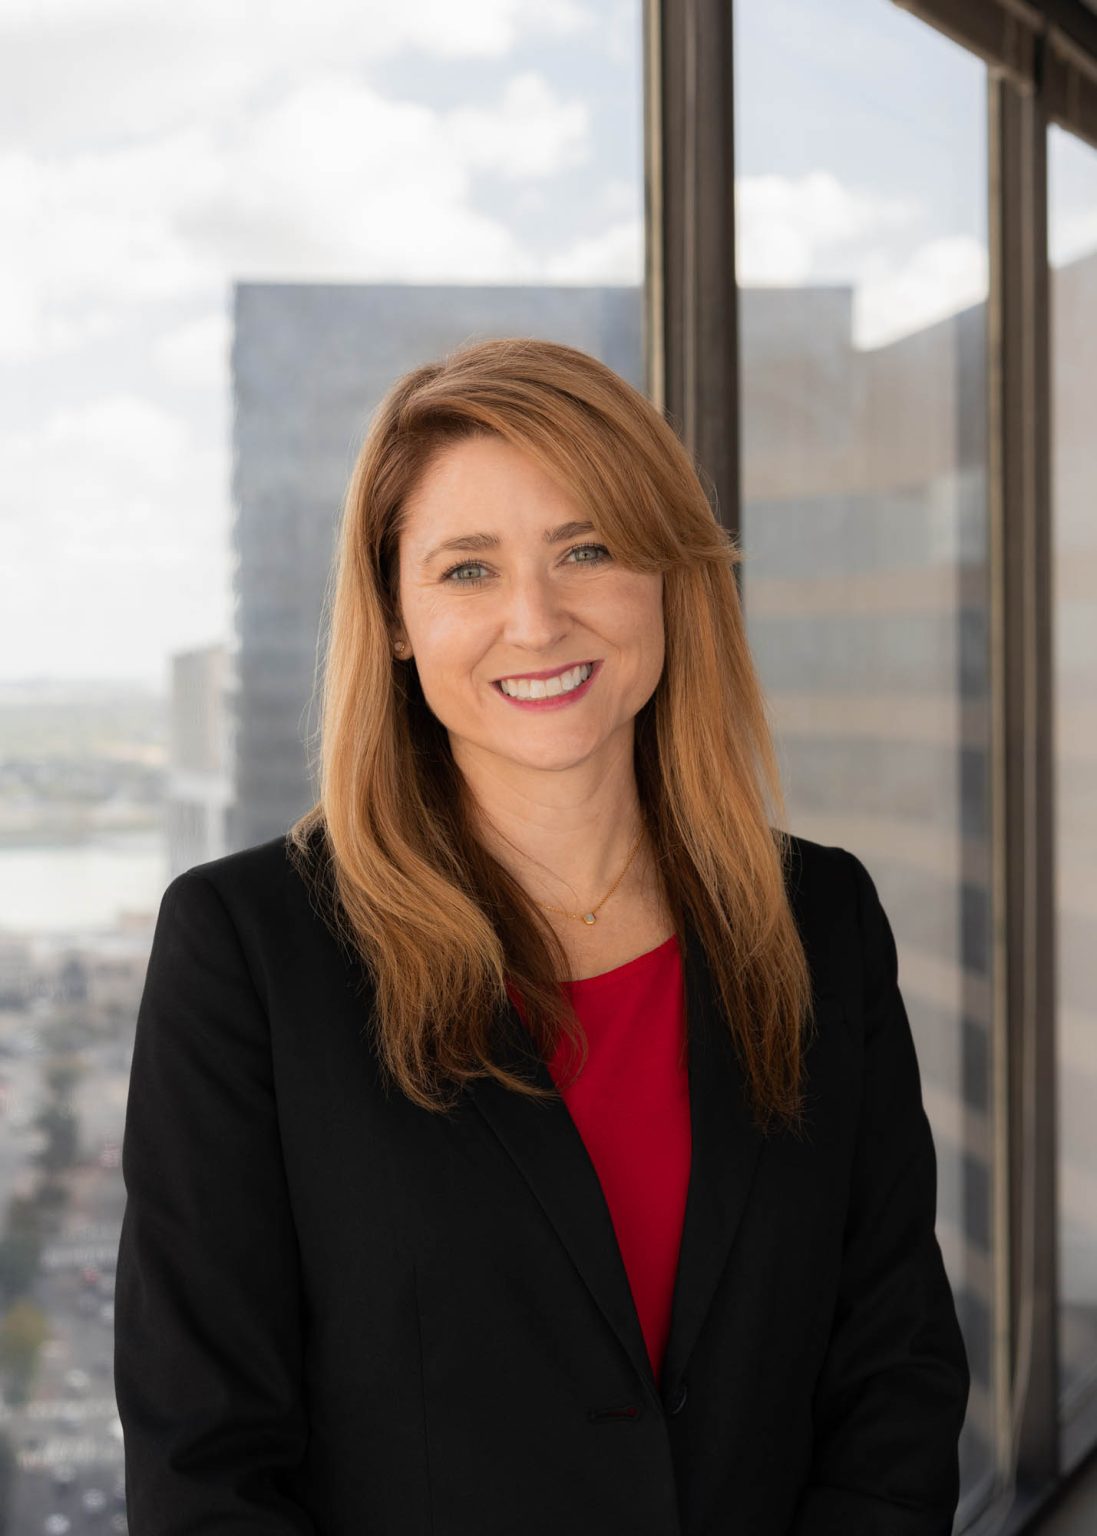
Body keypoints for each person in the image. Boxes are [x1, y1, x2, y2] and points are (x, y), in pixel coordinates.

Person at [114, 336, 970, 1535]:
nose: (535, 616)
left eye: (588, 548)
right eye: (466, 570)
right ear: (397, 619)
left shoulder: (818, 919)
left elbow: (893, 1368)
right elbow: (203, 1460)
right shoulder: (248, 951)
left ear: (666, 575)